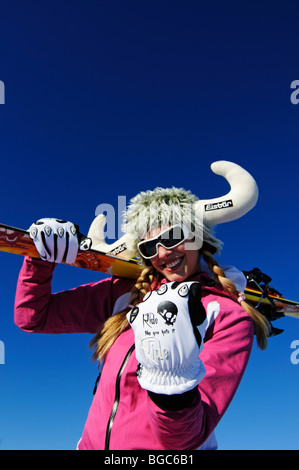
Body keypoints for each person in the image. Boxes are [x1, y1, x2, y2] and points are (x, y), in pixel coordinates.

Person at [14, 161, 271, 450]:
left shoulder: (228, 316)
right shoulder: (121, 295)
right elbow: (33, 317)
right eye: (150, 247)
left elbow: (184, 440)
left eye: (173, 237)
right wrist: (40, 258)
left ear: (198, 236)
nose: (163, 253)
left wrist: (172, 388)